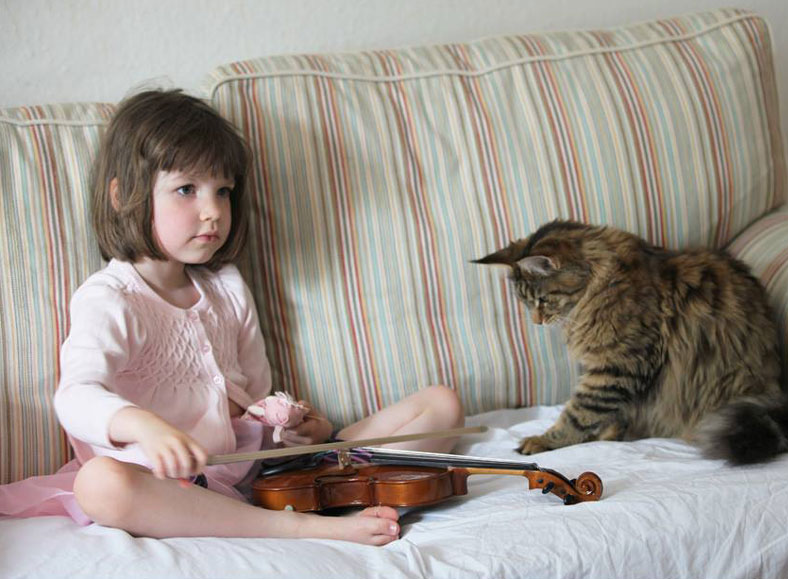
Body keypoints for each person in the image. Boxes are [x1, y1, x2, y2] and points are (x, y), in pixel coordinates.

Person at [0, 89, 464, 546]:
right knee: (101, 484)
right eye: (187, 189)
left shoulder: (226, 287)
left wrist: (299, 424)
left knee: (440, 406)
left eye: (222, 191)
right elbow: (75, 394)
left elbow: (257, 396)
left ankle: (341, 490)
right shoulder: (112, 298)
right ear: (123, 197)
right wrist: (144, 426)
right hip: (171, 487)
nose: (213, 211)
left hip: (261, 473)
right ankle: (300, 527)